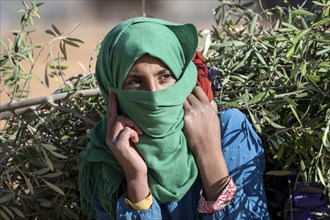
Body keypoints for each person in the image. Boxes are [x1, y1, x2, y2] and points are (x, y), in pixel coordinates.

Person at [78, 17, 270, 220]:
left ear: (182, 76)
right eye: (136, 81)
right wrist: (136, 178)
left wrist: (209, 154)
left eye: (165, 77)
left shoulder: (228, 128)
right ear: (112, 89)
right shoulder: (107, 157)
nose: (153, 94)